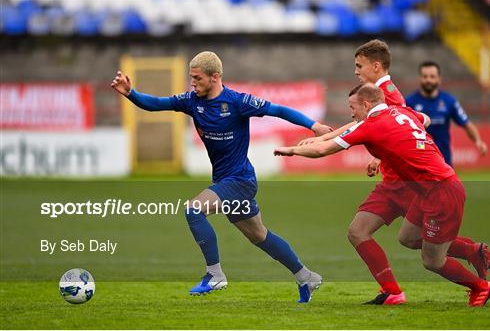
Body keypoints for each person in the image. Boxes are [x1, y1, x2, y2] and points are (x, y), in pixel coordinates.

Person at [299, 41, 490, 304]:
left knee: (423, 245)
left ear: (375, 66)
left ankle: (480, 267)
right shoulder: (379, 92)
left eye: (359, 66)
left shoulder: (387, 94)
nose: (356, 71)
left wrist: (320, 140)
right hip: (395, 181)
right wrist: (379, 158)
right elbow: (382, 129)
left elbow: (387, 130)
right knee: (396, 236)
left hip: (407, 184)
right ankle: (401, 289)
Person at [111, 51, 332, 303]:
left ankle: (214, 274)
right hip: (226, 182)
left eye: (197, 78)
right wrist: (131, 93)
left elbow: (278, 110)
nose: (192, 83)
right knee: (259, 236)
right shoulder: (192, 101)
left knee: (194, 210)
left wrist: (313, 125)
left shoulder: (238, 102)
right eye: (190, 78)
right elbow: (156, 104)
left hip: (240, 181)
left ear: (214, 77)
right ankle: (306, 277)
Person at [275, 84, 490, 306]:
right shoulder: (403, 112)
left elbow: (323, 151)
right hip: (427, 190)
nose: (351, 112)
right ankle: (394, 291)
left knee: (432, 261)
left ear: (366, 104)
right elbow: (425, 120)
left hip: (441, 191)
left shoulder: (372, 124)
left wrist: (292, 150)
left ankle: (480, 286)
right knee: (406, 238)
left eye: (352, 107)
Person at [406, 60, 488, 166]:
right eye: (425, 76)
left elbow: (466, 124)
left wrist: (478, 141)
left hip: (444, 161)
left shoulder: (449, 101)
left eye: (432, 76)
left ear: (439, 79)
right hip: (419, 162)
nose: (428, 80)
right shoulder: (409, 102)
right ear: (420, 79)